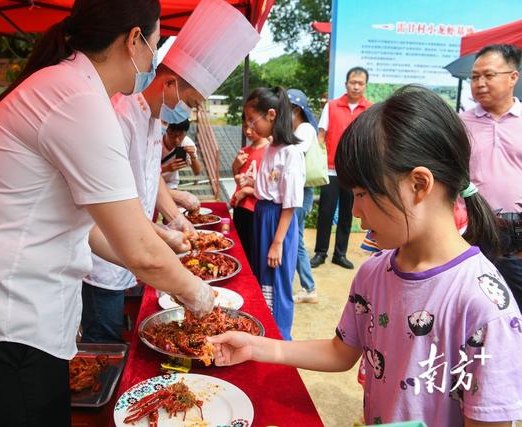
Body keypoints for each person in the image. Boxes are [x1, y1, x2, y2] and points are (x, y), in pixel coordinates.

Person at [0, 2, 216, 425]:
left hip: (11, 325)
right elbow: (138, 249)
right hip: (5, 326)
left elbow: (94, 232)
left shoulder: (69, 87)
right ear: (134, 40)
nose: (152, 61)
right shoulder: (76, 98)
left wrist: (162, 254)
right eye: (154, 47)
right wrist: (195, 292)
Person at [209, 86, 522, 426]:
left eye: (362, 194)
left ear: (419, 184)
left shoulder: (483, 307)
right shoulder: (374, 273)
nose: (356, 211)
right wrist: (256, 347)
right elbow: (341, 351)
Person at [81, 0, 260, 343]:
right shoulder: (119, 117)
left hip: (133, 256)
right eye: (190, 101)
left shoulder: (153, 120)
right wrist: (162, 237)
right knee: (105, 342)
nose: (186, 111)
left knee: (129, 333)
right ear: (170, 85)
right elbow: (109, 211)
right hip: (102, 262)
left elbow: (152, 179)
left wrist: (174, 217)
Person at [461, 44, 522, 311]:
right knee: (474, 303)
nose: (480, 83)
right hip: (472, 230)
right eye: (474, 77)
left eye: (488, 75)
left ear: (513, 77)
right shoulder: (460, 124)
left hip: (517, 234)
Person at [246, 87, 305, 341]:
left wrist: (277, 243)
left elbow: (290, 203)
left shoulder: (290, 153)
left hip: (277, 221)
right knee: (263, 279)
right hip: (263, 216)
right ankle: (264, 331)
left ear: (271, 115)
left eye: (252, 120)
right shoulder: (271, 148)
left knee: (276, 282)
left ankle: (280, 338)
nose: (249, 127)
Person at [311, 67, 372, 270]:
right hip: (330, 170)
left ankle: (340, 254)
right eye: (352, 82)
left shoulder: (370, 109)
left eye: (360, 83)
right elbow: (321, 135)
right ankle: (320, 253)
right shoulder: (332, 106)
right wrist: (316, 160)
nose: (356, 86)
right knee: (326, 212)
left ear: (365, 85)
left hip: (354, 172)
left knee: (348, 213)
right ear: (346, 83)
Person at [287, 88, 320, 304]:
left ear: (296, 109)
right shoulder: (299, 128)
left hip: (302, 191)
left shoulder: (305, 129)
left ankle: (309, 288)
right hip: (299, 191)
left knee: (296, 240)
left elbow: (294, 151)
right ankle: (306, 286)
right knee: (295, 238)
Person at [230, 113, 269, 270]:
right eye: (245, 126)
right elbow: (238, 179)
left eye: (251, 126)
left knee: (254, 252)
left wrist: (247, 191)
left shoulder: (269, 151)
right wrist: (235, 166)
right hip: (241, 207)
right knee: (241, 249)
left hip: (256, 209)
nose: (247, 131)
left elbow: (270, 188)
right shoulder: (244, 151)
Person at [161, 119, 203, 189]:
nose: (177, 140)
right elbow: (146, 169)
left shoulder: (187, 144)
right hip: (153, 181)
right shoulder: (156, 141)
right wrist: (166, 169)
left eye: (180, 135)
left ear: (185, 133)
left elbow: (197, 172)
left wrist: (193, 157)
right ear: (166, 131)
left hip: (170, 184)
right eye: (173, 135)